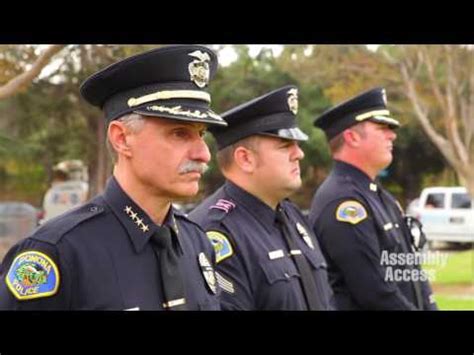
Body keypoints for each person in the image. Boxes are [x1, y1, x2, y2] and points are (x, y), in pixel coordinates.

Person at [0, 45, 227, 310]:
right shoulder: (58, 254)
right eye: (179, 133)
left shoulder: (198, 242)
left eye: (201, 134)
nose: (203, 154)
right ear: (122, 139)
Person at [189, 86, 334, 310]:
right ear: (245, 159)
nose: (299, 154)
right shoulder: (215, 233)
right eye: (285, 145)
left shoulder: (290, 215)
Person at [308, 87, 438, 310]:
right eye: (382, 128)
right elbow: (375, 293)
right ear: (352, 137)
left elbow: (411, 271)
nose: (392, 135)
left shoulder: (377, 195)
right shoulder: (343, 203)